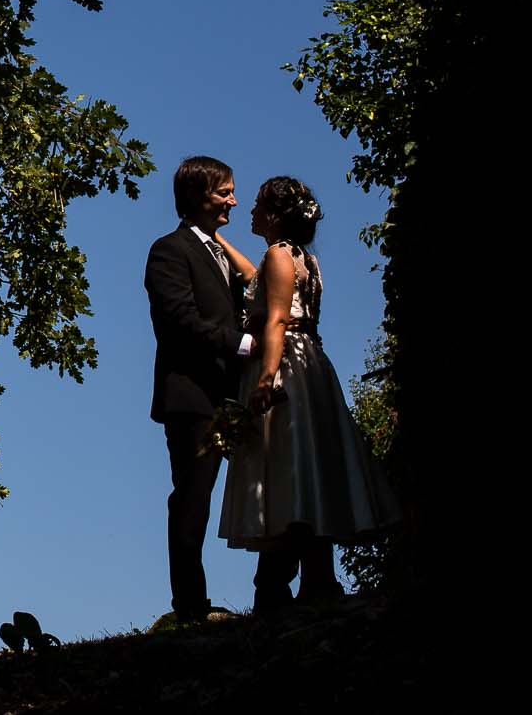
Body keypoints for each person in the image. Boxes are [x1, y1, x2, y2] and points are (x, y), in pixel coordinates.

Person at [218, 176, 399, 611]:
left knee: (285, 467)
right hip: (313, 362)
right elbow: (255, 279)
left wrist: (265, 380)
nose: (252, 211)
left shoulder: (278, 256)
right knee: (310, 466)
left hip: (287, 366)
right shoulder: (303, 260)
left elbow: (276, 319)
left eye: (260, 205)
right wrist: (218, 242)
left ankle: (274, 586)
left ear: (277, 215)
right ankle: (318, 580)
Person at [145, 155, 258, 624]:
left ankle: (272, 588)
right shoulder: (168, 251)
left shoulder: (220, 252)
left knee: (265, 482)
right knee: (193, 496)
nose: (234, 199)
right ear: (196, 195)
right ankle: (190, 605)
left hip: (235, 393)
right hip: (192, 396)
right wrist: (244, 344)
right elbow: (180, 321)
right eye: (224, 191)